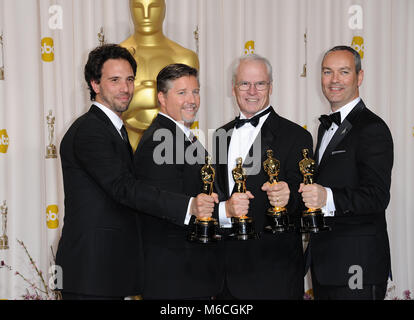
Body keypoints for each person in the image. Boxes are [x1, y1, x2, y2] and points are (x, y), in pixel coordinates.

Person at [56, 45, 215, 300]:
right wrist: (189, 206)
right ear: (95, 84)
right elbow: (123, 187)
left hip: (106, 271)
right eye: (115, 80)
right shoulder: (90, 130)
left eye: (130, 79)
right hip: (92, 270)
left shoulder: (111, 128)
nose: (125, 88)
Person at [213, 53, 313, 299]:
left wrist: (289, 197)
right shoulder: (219, 135)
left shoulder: (296, 136)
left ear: (271, 87)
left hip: (274, 273)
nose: (252, 91)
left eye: (260, 84)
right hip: (226, 276)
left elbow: (306, 203)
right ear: (233, 87)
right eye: (244, 83)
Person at [299, 46, 393, 300]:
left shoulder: (372, 128)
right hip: (325, 266)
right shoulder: (325, 129)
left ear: (359, 77)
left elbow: (377, 196)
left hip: (357, 268)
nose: (334, 80)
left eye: (344, 72)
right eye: (327, 72)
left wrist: (326, 198)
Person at [133, 63, 221, 299]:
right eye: (181, 93)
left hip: (191, 271)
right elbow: (162, 206)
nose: (191, 100)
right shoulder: (158, 141)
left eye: (195, 91)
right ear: (161, 97)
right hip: (174, 275)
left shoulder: (184, 136)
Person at [120, 0, 199, 151]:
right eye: (138, 7)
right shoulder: (115, 58)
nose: (146, 15)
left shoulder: (185, 57)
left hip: (171, 147)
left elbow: (187, 108)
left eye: (153, 7)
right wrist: (148, 95)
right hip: (125, 146)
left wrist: (140, 96)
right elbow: (108, 106)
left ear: (164, 9)